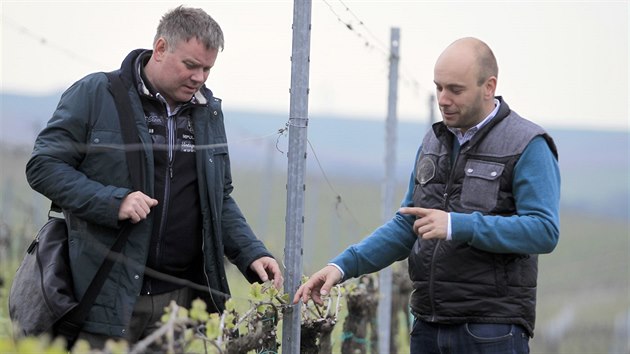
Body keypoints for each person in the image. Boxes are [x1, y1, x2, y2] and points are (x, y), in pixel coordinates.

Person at [26, 5, 283, 348]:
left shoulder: (208, 113)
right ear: (160, 49)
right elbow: (43, 166)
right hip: (104, 295)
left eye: (207, 68)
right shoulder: (95, 94)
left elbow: (217, 199)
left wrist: (251, 253)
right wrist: (112, 201)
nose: (199, 77)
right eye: (191, 65)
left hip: (175, 305)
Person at [294, 37, 560, 353]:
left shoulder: (527, 145)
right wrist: (341, 267)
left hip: (491, 329)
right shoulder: (434, 142)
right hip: (428, 328)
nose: (443, 99)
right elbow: (407, 225)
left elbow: (544, 231)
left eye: (455, 90)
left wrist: (457, 225)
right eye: (438, 88)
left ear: (489, 87)